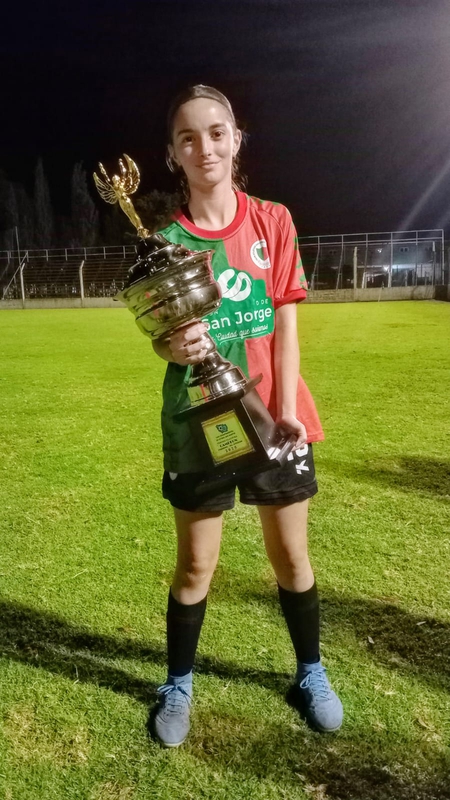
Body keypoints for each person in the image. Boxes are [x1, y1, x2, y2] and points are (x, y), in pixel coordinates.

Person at [150, 84, 343, 747]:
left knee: (291, 558)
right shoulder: (165, 241)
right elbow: (162, 335)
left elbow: (286, 327)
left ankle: (310, 672)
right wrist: (170, 345)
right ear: (173, 153)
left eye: (216, 132)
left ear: (236, 140)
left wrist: (286, 413)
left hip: (276, 418)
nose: (204, 147)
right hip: (202, 423)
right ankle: (178, 684)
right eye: (188, 137)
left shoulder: (273, 221)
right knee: (195, 567)